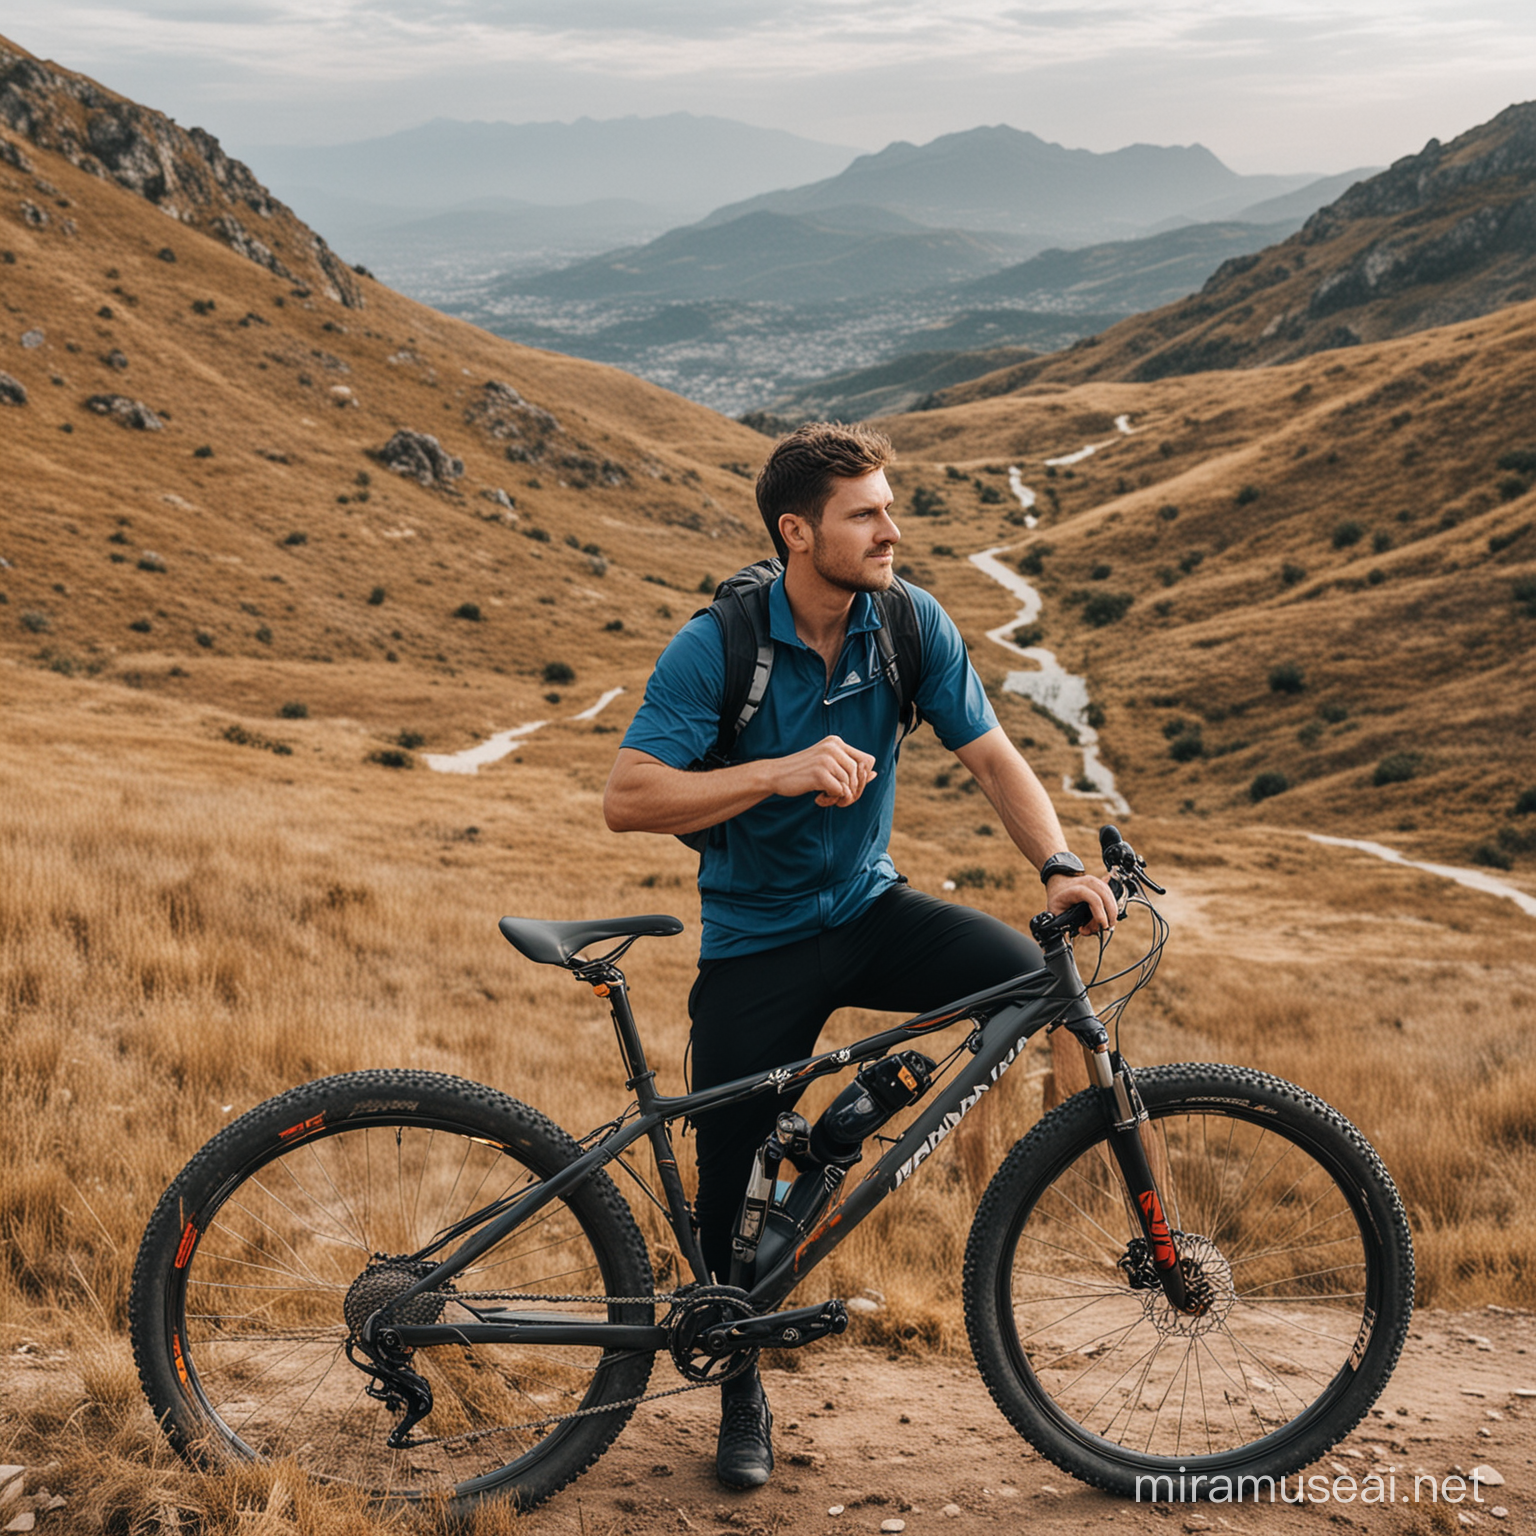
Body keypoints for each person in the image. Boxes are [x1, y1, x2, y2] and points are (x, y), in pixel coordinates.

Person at [603, 422, 1115, 1489]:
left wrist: (1060, 861)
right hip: (756, 942)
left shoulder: (906, 624)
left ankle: (845, 1127)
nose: (893, 530)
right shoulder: (722, 645)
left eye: (890, 505)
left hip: (871, 911)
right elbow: (631, 796)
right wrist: (777, 772)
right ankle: (739, 1380)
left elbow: (991, 751)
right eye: (866, 514)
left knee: (1030, 978)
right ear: (798, 532)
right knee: (724, 1190)